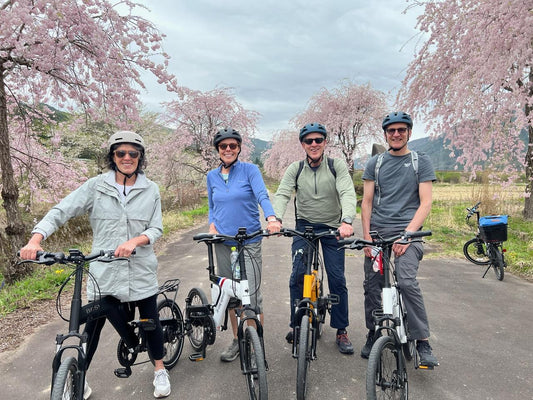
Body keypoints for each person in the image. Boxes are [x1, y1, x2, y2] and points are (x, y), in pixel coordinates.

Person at [19, 131, 172, 398]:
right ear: (112, 157)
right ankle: (80, 377)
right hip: (105, 270)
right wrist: (36, 239)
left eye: (133, 153)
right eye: (121, 153)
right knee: (92, 325)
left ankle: (160, 369)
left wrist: (137, 240)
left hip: (140, 269)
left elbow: (156, 228)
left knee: (150, 319)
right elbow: (62, 210)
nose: (127, 158)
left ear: (140, 157)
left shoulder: (151, 190)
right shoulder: (96, 186)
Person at [360, 111, 439, 367]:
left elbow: (425, 203)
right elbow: (367, 202)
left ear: (409, 133)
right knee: (372, 285)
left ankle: (422, 340)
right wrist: (367, 239)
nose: (396, 134)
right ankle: (373, 332)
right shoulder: (376, 163)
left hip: (410, 233)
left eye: (401, 130)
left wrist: (407, 235)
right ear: (385, 134)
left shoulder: (420, 161)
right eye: (391, 131)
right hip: (379, 234)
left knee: (405, 281)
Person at [272, 123, 357, 354]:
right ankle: (297, 324)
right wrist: (275, 218)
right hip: (304, 228)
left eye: (318, 140)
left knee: (337, 278)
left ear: (325, 142)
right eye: (308, 141)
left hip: (333, 228)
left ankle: (341, 329)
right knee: (298, 275)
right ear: (302, 144)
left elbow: (347, 192)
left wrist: (347, 221)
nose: (314, 144)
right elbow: (282, 193)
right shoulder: (296, 169)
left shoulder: (335, 165)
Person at [207, 128, 281, 362]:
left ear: (239, 148)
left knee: (251, 295)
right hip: (222, 242)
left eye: (232, 146)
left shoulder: (250, 170)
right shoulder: (211, 176)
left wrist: (271, 218)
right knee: (231, 295)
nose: (228, 149)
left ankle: (255, 343)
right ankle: (239, 340)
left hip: (249, 240)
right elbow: (212, 204)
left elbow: (262, 196)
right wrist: (212, 224)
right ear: (218, 150)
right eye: (223, 146)